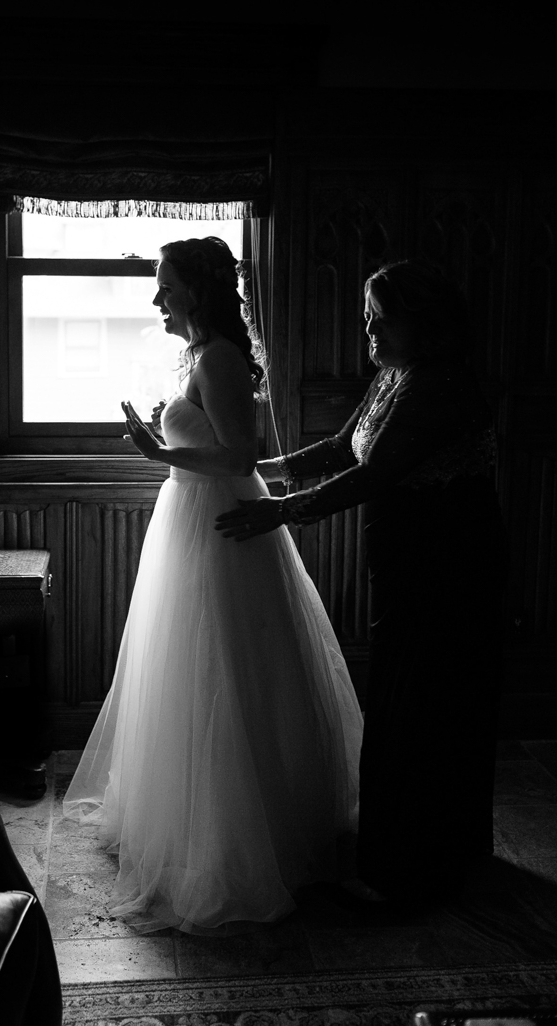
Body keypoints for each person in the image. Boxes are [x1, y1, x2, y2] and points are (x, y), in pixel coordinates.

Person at [63, 236, 363, 935]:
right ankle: (189, 816)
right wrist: (164, 451)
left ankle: (240, 835)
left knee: (228, 665)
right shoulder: (200, 355)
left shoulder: (222, 358)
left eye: (165, 286)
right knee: (189, 669)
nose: (156, 298)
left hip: (224, 522)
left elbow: (239, 455)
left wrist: (154, 449)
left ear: (196, 290)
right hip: (193, 516)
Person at [216, 259, 506, 905]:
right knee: (407, 697)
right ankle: (420, 849)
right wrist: (252, 469)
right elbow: (346, 447)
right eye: (366, 314)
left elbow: (375, 475)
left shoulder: (441, 384)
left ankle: (413, 870)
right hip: (408, 556)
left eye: (380, 315)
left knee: (425, 704)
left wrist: (279, 511)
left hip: (448, 559)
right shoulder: (394, 376)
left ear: (420, 322)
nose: (367, 327)